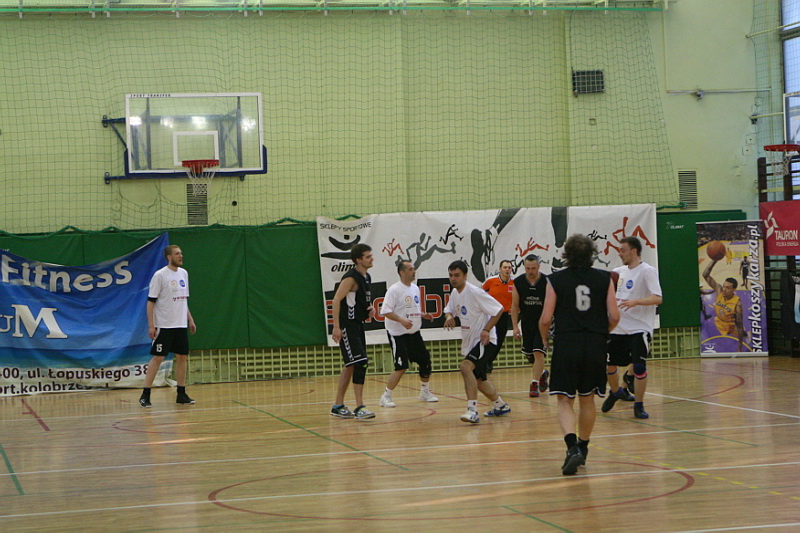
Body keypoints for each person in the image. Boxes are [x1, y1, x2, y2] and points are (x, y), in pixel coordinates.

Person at [539, 234, 619, 475]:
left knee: (564, 399)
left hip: (567, 343)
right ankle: (583, 447)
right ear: (591, 254)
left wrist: (545, 339)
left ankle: (572, 447)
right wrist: (601, 332)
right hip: (595, 344)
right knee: (587, 398)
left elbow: (545, 319)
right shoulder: (605, 278)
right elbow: (615, 316)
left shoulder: (555, 279)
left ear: (567, 255)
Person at [602, 236, 663, 419]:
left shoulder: (647, 271)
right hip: (618, 327)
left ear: (634, 251)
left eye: (623, 250)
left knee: (639, 366)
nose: (620, 254)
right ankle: (615, 392)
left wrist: (636, 301)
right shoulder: (617, 273)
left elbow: (658, 298)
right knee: (610, 364)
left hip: (639, 328)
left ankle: (639, 405)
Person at [444, 260, 511, 424]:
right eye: (451, 275)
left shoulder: (475, 292)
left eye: (457, 275)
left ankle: (472, 411)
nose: (453, 279)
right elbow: (449, 309)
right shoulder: (455, 293)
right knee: (479, 380)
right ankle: (500, 405)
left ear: (465, 276)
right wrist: (449, 317)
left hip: (485, 341)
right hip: (470, 342)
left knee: (465, 367)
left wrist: (487, 329)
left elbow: (499, 309)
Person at [139, 245, 197, 408]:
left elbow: (183, 300)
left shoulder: (184, 273)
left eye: (181, 253)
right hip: (164, 325)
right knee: (158, 357)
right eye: (177, 254)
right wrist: (151, 326)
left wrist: (190, 320)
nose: (181, 256)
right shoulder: (160, 275)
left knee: (182, 357)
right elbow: (150, 302)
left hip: (180, 325)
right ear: (169, 257)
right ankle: (145, 394)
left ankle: (181, 394)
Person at [379, 260, 439, 407]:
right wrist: (401, 321)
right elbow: (385, 311)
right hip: (398, 334)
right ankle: (386, 396)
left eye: (414, 269)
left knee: (425, 360)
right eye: (411, 269)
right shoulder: (394, 290)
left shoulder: (415, 288)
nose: (414, 271)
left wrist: (423, 314)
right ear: (402, 272)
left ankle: (425, 392)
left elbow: (412, 308)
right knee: (401, 366)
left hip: (413, 332)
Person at [330, 244, 376, 420]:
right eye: (368, 256)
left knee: (350, 364)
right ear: (358, 260)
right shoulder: (351, 277)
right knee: (361, 362)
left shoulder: (366, 277)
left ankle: (338, 405)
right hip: (347, 326)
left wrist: (369, 309)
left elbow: (358, 301)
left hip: (357, 325)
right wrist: (336, 327)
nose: (371, 259)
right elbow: (336, 300)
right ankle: (359, 407)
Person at [510, 255, 549, 397]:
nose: (530, 271)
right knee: (529, 354)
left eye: (533, 268)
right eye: (528, 268)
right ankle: (542, 373)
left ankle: (534, 383)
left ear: (538, 267)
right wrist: (515, 327)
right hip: (527, 322)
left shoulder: (547, 282)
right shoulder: (519, 282)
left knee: (538, 351)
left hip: (542, 323)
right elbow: (514, 306)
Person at [702, 257, 745, 351]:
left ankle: (746, 335)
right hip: (718, 322)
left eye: (728, 288)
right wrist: (714, 259)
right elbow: (705, 275)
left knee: (740, 334)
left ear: (734, 289)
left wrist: (740, 347)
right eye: (724, 286)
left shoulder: (737, 304)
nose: (724, 289)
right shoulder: (719, 290)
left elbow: (739, 326)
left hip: (730, 328)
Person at [482, 259, 514, 354]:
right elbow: (480, 293)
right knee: (489, 338)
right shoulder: (491, 281)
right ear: (500, 269)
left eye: (509, 268)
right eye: (505, 267)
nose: (507, 269)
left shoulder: (514, 282)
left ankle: (491, 359)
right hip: (491, 314)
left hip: (504, 315)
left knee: (499, 340)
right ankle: (485, 359)